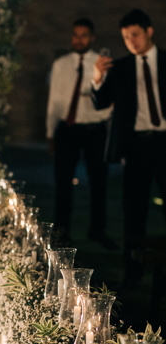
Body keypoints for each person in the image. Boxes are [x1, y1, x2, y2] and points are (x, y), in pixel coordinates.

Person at [93, 9, 166, 286]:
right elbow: (100, 103)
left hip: (164, 141)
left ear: (149, 31)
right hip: (136, 146)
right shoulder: (121, 68)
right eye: (126, 37)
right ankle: (133, 272)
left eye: (135, 34)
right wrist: (98, 77)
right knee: (133, 210)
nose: (131, 41)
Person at [46, 18, 114, 248]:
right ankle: (62, 230)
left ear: (92, 38)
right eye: (75, 35)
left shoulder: (101, 62)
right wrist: (50, 133)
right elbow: (54, 100)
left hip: (94, 129)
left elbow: (109, 99)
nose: (79, 39)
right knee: (63, 181)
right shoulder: (62, 64)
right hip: (68, 127)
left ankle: (98, 230)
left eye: (84, 35)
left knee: (99, 180)